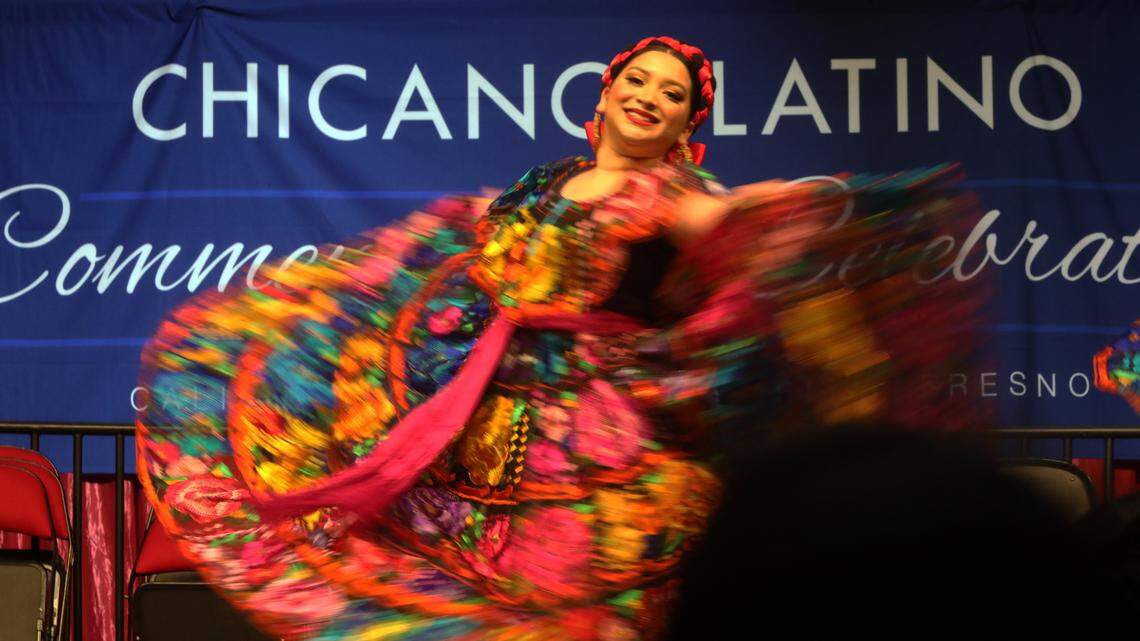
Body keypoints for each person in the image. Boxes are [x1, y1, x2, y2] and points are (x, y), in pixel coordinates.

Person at [136, 36, 984, 640]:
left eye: (672, 94)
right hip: (481, 429)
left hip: (590, 434)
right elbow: (460, 262)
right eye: (638, 82)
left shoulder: (676, 190)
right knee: (469, 593)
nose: (650, 97)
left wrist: (795, 211)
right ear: (606, 93)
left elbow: (726, 225)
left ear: (689, 121)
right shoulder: (541, 183)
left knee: (583, 609)